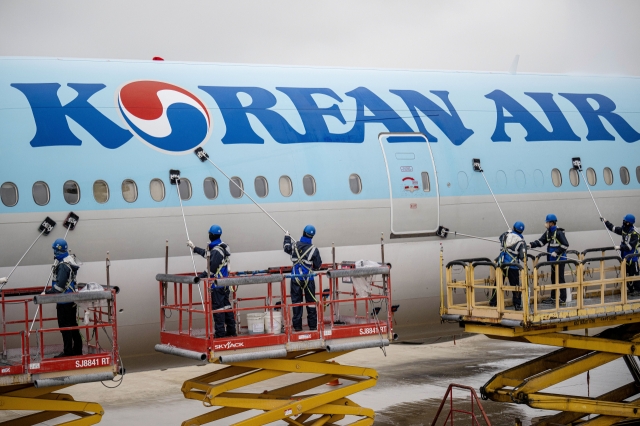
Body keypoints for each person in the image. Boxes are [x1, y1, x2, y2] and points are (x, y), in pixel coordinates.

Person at [187, 224, 236, 338]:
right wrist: (194, 248)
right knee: (227, 307)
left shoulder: (216, 251)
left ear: (211, 235)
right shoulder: (220, 246)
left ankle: (220, 333)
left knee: (218, 310)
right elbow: (207, 254)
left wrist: (200, 277)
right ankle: (231, 330)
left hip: (217, 285)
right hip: (225, 284)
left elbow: (211, 269)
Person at [46, 238, 82, 357]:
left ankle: (68, 352)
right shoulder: (70, 261)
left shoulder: (62, 266)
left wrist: (47, 293)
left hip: (63, 301)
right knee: (73, 325)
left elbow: (59, 287)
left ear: (57, 250)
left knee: (65, 328)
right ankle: (77, 350)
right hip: (71, 300)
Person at [284, 225, 322, 331]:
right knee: (311, 304)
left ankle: (297, 327)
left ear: (303, 232)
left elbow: (286, 248)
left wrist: (287, 237)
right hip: (308, 280)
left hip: (295, 279)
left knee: (296, 303)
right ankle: (313, 326)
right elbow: (318, 265)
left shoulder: (295, 246)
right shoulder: (314, 249)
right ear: (312, 236)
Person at [529, 214, 570, 305]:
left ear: (551, 223)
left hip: (560, 259)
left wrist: (557, 252)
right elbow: (541, 241)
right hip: (553, 260)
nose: (546, 223)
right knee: (553, 278)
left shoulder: (558, 232)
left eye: (547, 222)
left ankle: (563, 299)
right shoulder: (548, 232)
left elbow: (565, 245)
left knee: (560, 279)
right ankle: (554, 298)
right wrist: (531, 245)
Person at [492, 222, 526, 311]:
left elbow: (500, 237)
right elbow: (523, 257)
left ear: (513, 228)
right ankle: (517, 305)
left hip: (502, 264)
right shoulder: (521, 241)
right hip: (513, 266)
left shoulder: (505, 236)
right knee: (515, 287)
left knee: (498, 284)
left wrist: (508, 232)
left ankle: (493, 303)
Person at [602, 214, 639, 295]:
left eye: (625, 221)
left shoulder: (634, 233)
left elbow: (630, 246)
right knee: (627, 275)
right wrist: (606, 222)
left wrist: (620, 247)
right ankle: (631, 290)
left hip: (633, 258)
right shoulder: (624, 229)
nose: (623, 222)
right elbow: (614, 228)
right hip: (625, 258)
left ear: (629, 223)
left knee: (635, 275)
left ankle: (638, 291)